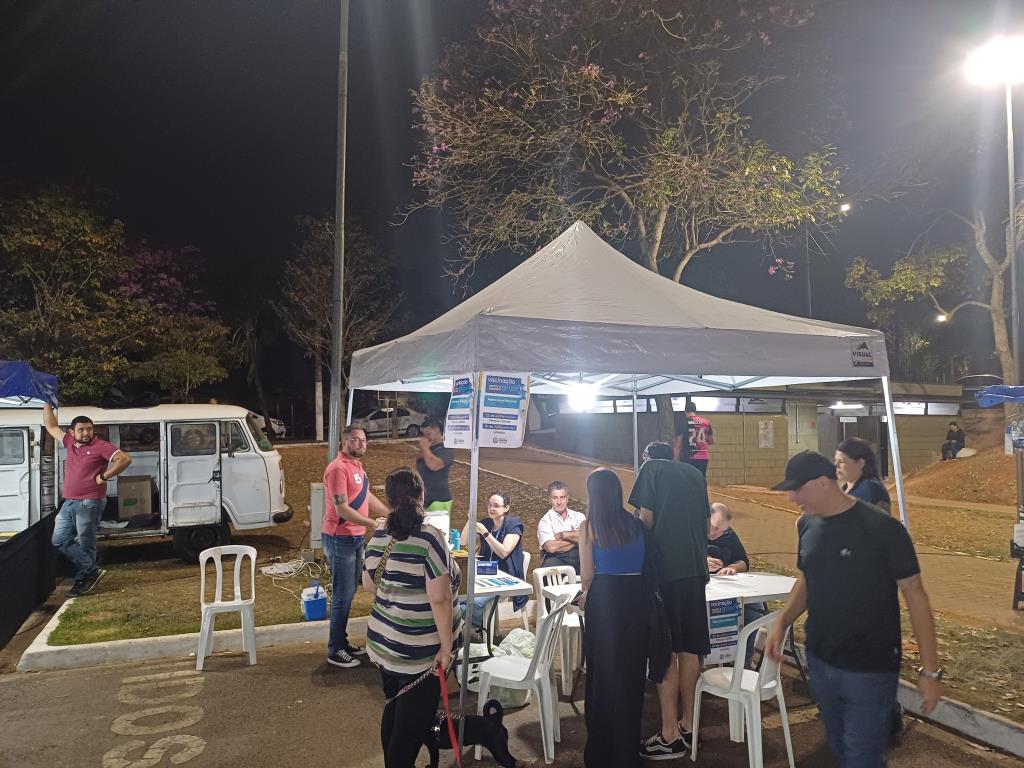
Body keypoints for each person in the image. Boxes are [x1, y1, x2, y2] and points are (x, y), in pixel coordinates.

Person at [765, 451, 942, 767]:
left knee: (862, 756)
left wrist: (930, 672)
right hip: (820, 659)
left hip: (869, 667)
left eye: (797, 488)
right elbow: (808, 578)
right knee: (839, 747)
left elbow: (916, 596)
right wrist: (782, 622)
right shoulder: (807, 524)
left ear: (823, 482)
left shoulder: (882, 529)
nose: (791, 497)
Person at [362, 467, 462, 768]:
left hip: (384, 643)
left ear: (389, 499)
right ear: (421, 495)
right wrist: (447, 648)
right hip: (419, 653)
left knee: (395, 708)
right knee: (410, 730)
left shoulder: (380, 533)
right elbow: (440, 598)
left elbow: (368, 583)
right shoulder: (429, 537)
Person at [628, 448, 711, 759]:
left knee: (665, 652)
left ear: (647, 456)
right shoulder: (695, 474)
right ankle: (690, 725)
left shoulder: (651, 470)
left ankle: (669, 734)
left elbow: (645, 520)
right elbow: (707, 528)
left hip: (666, 574)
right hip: (696, 572)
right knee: (689, 649)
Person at [579, 468, 649, 768]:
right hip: (636, 601)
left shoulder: (589, 526)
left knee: (602, 676)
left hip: (605, 601)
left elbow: (586, 575)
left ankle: (601, 751)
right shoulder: (636, 524)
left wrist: (586, 594)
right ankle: (627, 751)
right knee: (631, 675)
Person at [44, 404, 132, 597]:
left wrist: (105, 476)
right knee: (59, 540)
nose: (86, 433)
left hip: (89, 502)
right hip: (69, 502)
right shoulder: (69, 443)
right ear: (72, 432)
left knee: (86, 543)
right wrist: (47, 403)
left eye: (89, 429)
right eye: (81, 429)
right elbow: (51, 427)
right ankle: (90, 570)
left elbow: (124, 459)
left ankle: (84, 579)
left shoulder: (101, 446)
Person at [323, 424, 390, 668]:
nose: (361, 444)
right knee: (342, 595)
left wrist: (390, 514)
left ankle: (342, 641)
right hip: (340, 538)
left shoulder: (357, 466)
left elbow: (366, 496)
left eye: (363, 440)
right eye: (355, 440)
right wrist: (374, 523)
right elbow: (342, 508)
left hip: (355, 537)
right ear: (344, 442)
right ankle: (335, 650)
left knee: (349, 592)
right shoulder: (337, 468)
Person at [707, 502, 764, 667]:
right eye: (714, 528)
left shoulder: (729, 536)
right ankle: (710, 662)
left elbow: (744, 562)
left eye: (721, 531)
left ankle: (742, 664)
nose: (716, 534)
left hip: (726, 589)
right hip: (702, 592)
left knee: (755, 612)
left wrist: (732, 568)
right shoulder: (691, 532)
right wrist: (700, 562)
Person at [460, 491, 525, 630]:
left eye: (496, 505)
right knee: (459, 597)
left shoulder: (514, 525)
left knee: (473, 603)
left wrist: (485, 533)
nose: (491, 508)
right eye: (489, 505)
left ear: (506, 508)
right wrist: (470, 519)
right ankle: (480, 625)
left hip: (504, 576)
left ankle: (479, 626)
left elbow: (503, 552)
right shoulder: (486, 523)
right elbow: (463, 541)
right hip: (485, 571)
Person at [416, 417, 455, 538]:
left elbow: (434, 465)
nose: (426, 438)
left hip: (439, 500)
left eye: (429, 434)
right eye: (424, 434)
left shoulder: (446, 449)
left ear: (439, 431)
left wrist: (425, 448)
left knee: (438, 536)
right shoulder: (430, 449)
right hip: (425, 499)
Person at [537, 481, 586, 573]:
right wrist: (577, 539)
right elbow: (552, 548)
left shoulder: (579, 517)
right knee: (549, 571)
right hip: (556, 559)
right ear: (549, 499)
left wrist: (563, 535)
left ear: (567, 498)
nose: (559, 502)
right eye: (555, 498)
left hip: (580, 558)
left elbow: (589, 538)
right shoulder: (545, 521)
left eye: (562, 497)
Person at [836, 437, 891, 513]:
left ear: (860, 463)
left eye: (841, 461)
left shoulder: (869, 488)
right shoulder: (846, 487)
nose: (836, 465)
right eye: (836, 460)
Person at [674, 401, 714, 477]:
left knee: (688, 479)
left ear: (685, 411)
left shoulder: (683, 423)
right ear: (695, 410)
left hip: (688, 457)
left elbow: (678, 445)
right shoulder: (707, 422)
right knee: (701, 479)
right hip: (703, 457)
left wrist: (675, 460)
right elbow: (711, 441)